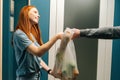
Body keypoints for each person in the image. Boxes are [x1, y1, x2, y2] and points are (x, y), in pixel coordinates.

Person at [12, 5, 63, 80]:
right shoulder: (19, 34)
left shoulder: (30, 34)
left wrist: (50, 71)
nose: (38, 15)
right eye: (35, 12)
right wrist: (56, 37)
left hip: (36, 76)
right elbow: (38, 52)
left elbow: (36, 58)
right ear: (26, 13)